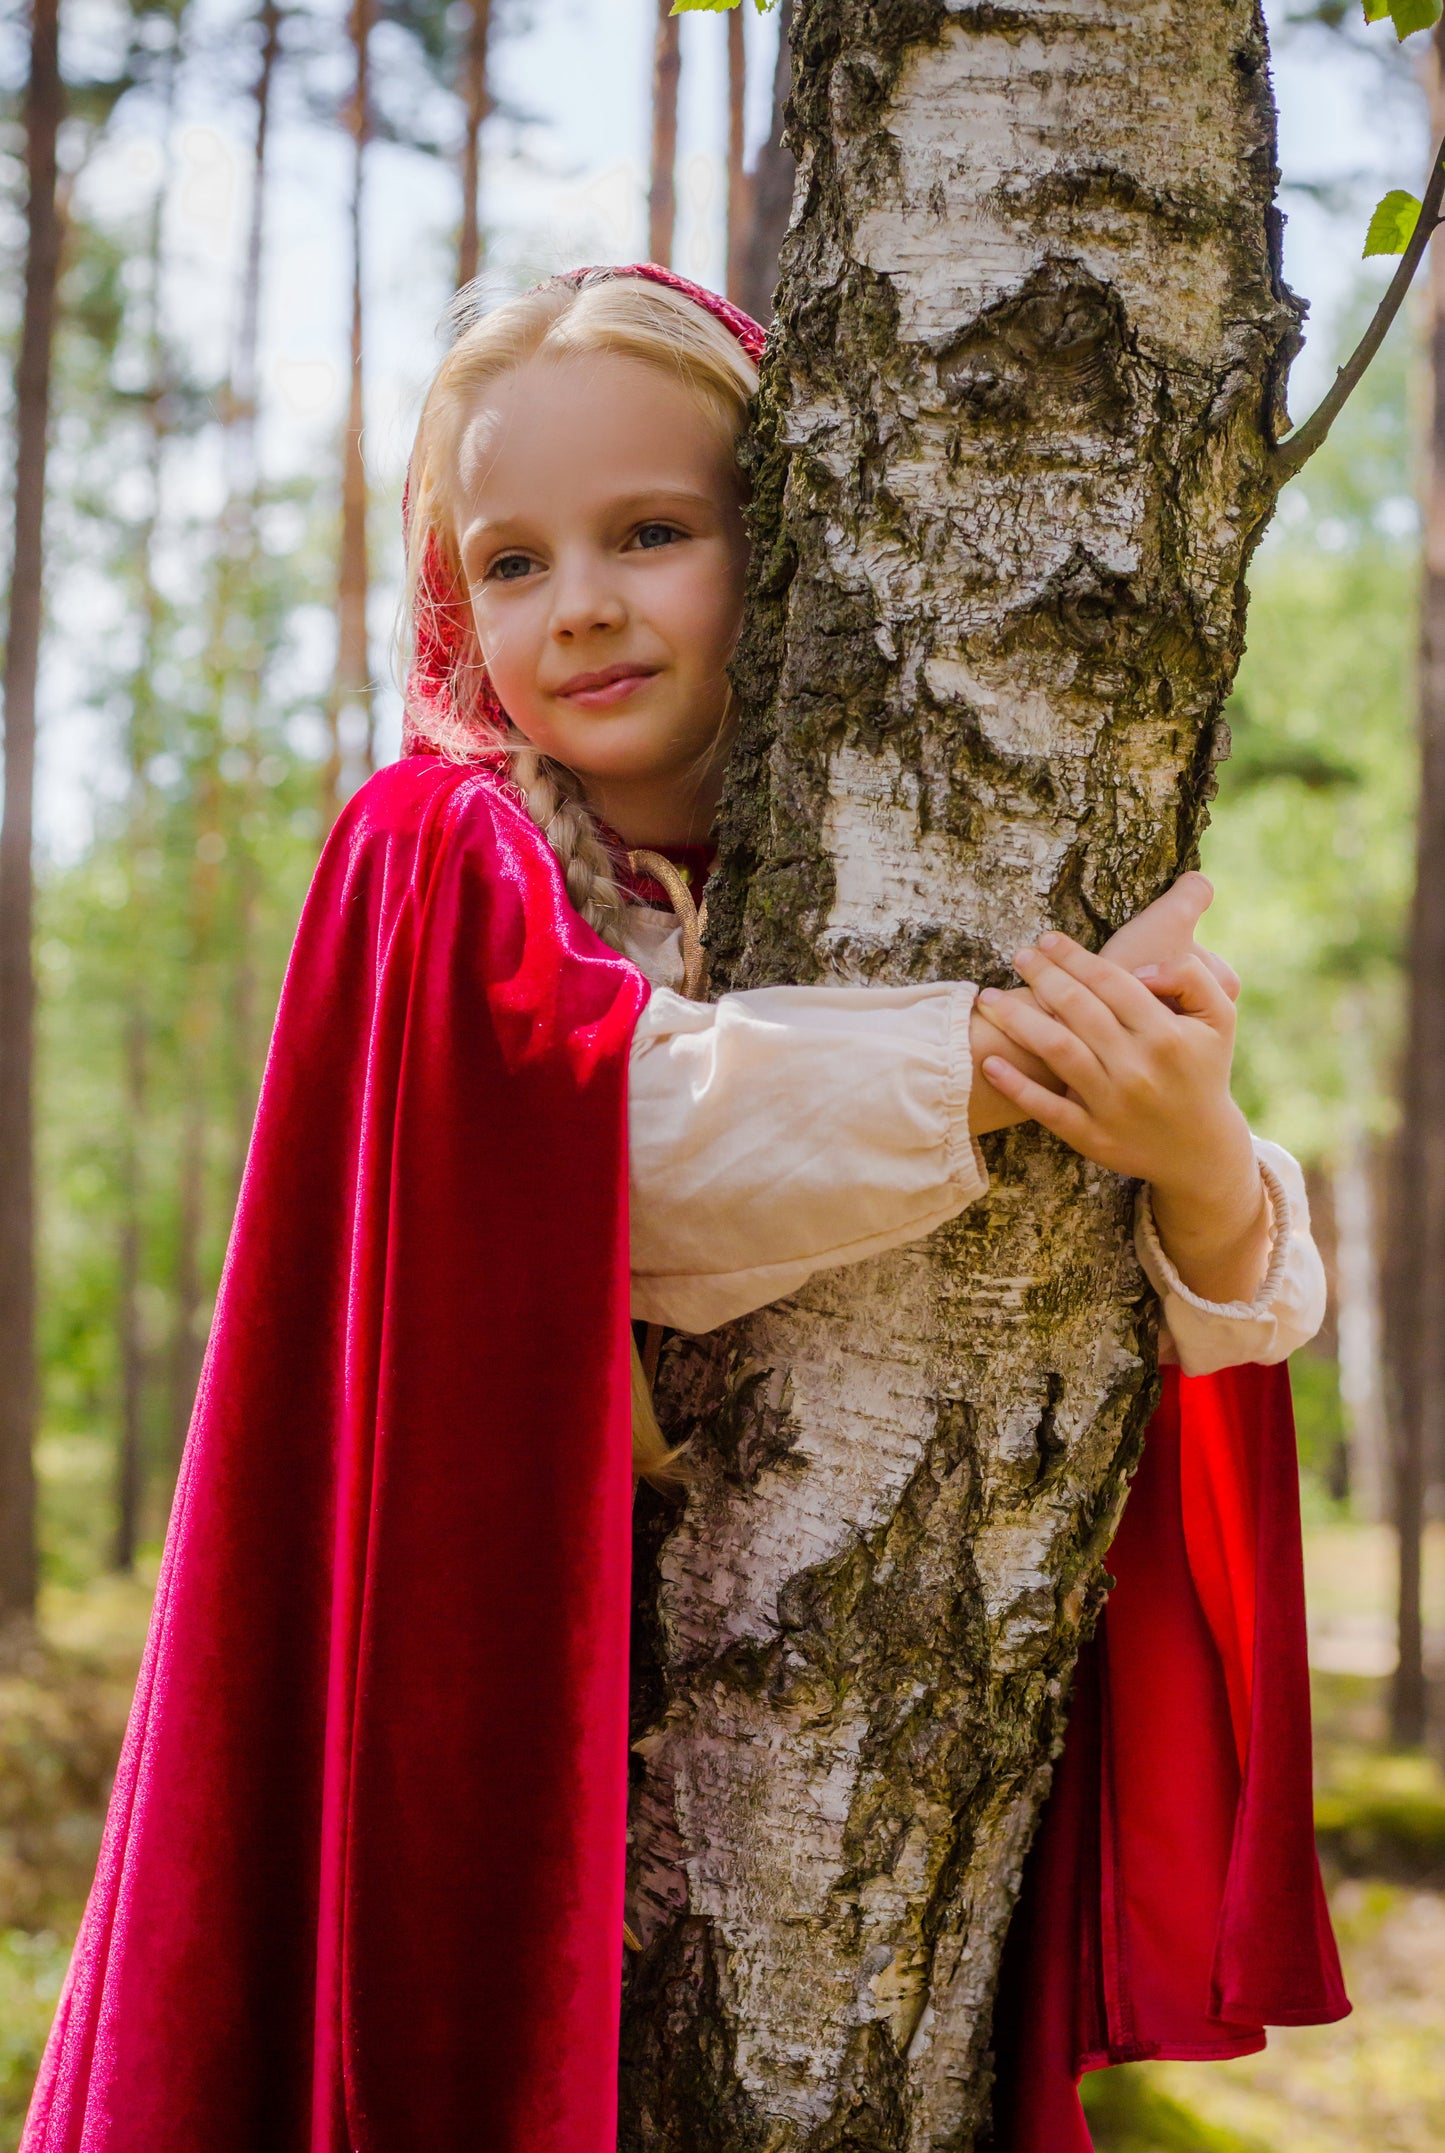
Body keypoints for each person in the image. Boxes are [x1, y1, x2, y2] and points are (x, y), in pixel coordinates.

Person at [22, 267, 1344, 2153]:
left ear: (786, 540)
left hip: (821, 1767)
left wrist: (1197, 1156)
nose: (577, 607)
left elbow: (1196, 1308)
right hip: (488, 1719)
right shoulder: (440, 851)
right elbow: (618, 1144)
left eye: (652, 532)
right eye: (507, 560)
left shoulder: (896, 850)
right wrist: (1004, 1055)